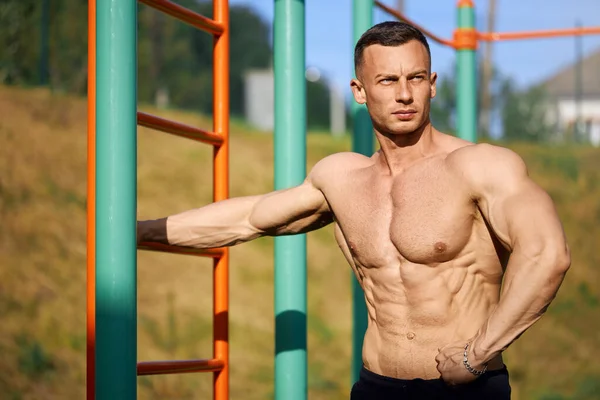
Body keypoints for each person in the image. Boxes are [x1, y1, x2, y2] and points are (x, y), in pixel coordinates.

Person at [137, 21, 571, 399]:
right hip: (376, 387)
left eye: (416, 78)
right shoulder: (341, 179)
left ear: (433, 83)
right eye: (387, 81)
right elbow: (247, 218)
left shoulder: (479, 167)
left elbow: (547, 255)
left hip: (465, 387)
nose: (404, 94)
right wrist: (137, 232)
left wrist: (478, 355)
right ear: (359, 91)